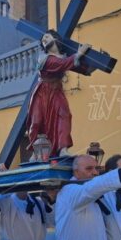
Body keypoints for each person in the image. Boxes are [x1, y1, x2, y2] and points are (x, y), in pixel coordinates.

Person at [26, 29, 92, 158]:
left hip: (56, 91)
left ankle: (63, 149)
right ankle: (35, 151)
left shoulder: (64, 58)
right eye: (43, 39)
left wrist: (95, 63)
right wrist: (78, 54)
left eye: (47, 37)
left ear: (55, 39)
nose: (43, 39)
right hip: (42, 92)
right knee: (37, 121)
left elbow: (79, 67)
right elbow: (60, 64)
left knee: (64, 116)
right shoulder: (44, 58)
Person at [0, 164, 56, 240]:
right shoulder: (7, 202)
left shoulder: (38, 202)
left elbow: (52, 222)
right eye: (21, 180)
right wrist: (6, 178)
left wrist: (50, 202)